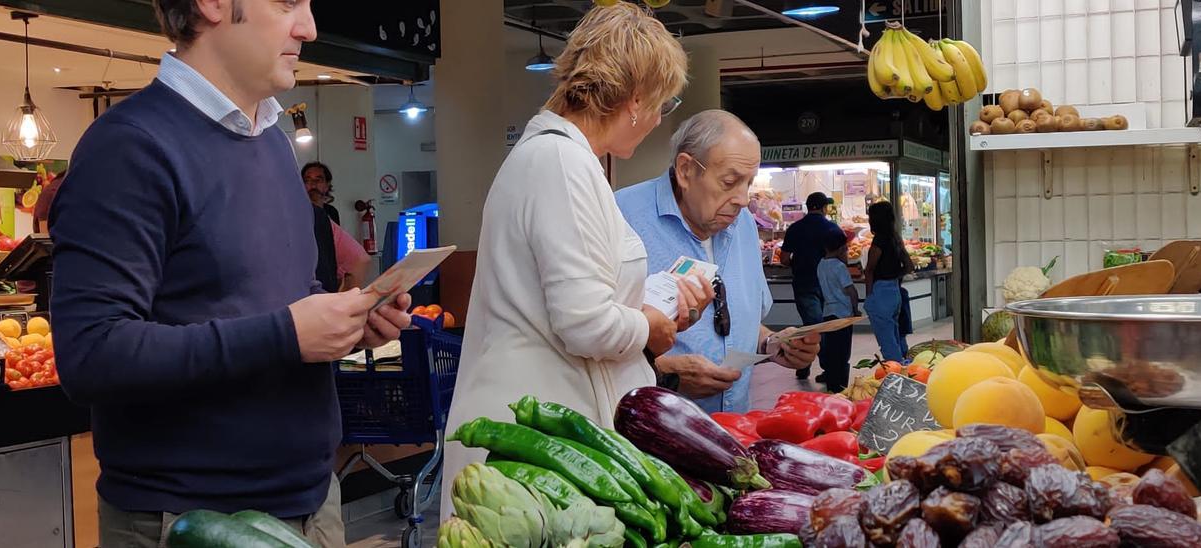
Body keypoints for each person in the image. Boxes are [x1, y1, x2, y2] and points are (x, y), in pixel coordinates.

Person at [48, 2, 412, 546]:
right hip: (194, 522)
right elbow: (91, 354)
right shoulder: (129, 146)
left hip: (314, 504)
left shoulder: (271, 140)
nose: (309, 27)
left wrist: (349, 323)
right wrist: (287, 334)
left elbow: (282, 300)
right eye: (289, 2)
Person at [442, 2, 702, 519]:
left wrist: (645, 298)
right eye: (662, 104)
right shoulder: (560, 163)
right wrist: (649, 324)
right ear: (634, 98)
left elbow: (573, 294)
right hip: (539, 446)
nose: (656, 119)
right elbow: (583, 322)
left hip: (544, 439)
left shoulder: (561, 158)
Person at [617, 110, 821, 413]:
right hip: (648, 438)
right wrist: (665, 372)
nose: (742, 198)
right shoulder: (620, 217)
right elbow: (588, 337)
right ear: (686, 170)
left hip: (733, 432)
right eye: (730, 181)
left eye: (748, 183)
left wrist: (773, 344)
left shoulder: (744, 226)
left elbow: (739, 323)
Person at [780, 191, 844, 380]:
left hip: (804, 282)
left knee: (811, 325)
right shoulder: (832, 228)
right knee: (825, 326)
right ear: (825, 208)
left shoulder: (795, 228)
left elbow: (784, 259)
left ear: (808, 207)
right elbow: (843, 257)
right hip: (829, 285)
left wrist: (799, 264)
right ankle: (827, 368)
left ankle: (804, 364)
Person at [302, 161, 370, 291]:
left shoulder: (330, 213)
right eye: (307, 180)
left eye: (318, 179)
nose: (313, 184)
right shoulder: (298, 213)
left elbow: (353, 255)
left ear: (327, 185)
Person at [864, 200, 913, 363]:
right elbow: (909, 266)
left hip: (881, 292)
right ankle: (903, 363)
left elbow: (869, 269)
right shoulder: (895, 238)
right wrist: (894, 275)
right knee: (895, 332)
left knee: (886, 339)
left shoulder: (879, 241)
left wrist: (869, 296)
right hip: (895, 291)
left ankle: (896, 370)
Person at [817, 230, 861, 393]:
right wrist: (855, 309)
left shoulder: (821, 265)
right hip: (843, 314)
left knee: (830, 349)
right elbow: (850, 290)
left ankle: (831, 382)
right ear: (841, 248)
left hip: (828, 312)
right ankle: (841, 386)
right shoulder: (839, 266)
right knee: (842, 352)